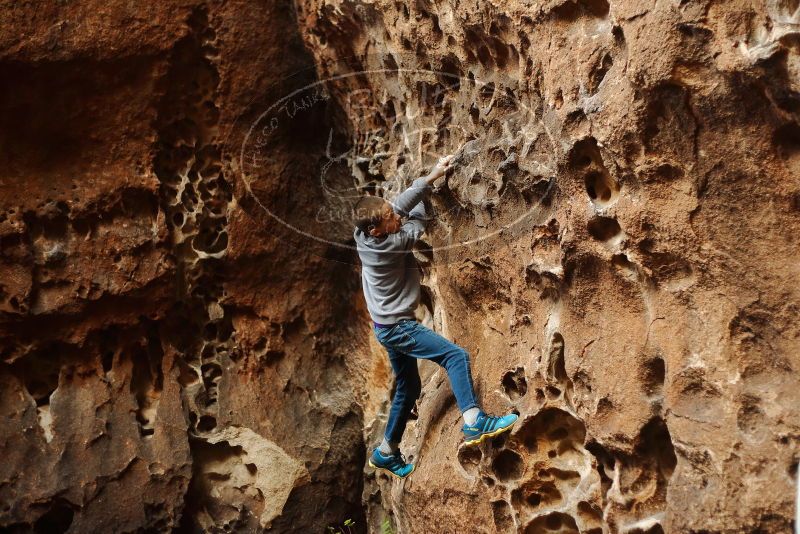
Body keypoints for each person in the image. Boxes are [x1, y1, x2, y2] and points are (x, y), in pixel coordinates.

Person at [353, 154, 518, 479]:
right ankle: (475, 422)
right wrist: (426, 193)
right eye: (388, 218)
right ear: (377, 230)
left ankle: (386, 451)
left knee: (408, 386)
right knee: (456, 356)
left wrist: (429, 179)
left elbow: (399, 208)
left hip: (385, 326)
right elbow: (416, 221)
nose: (394, 217)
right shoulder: (392, 245)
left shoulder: (365, 236)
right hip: (398, 327)